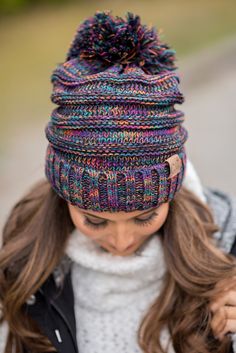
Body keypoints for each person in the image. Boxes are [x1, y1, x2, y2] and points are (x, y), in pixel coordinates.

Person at [1, 10, 236, 353]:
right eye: (94, 221)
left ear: (172, 193)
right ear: (63, 196)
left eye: (145, 217)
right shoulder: (24, 259)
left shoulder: (226, 248)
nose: (122, 241)